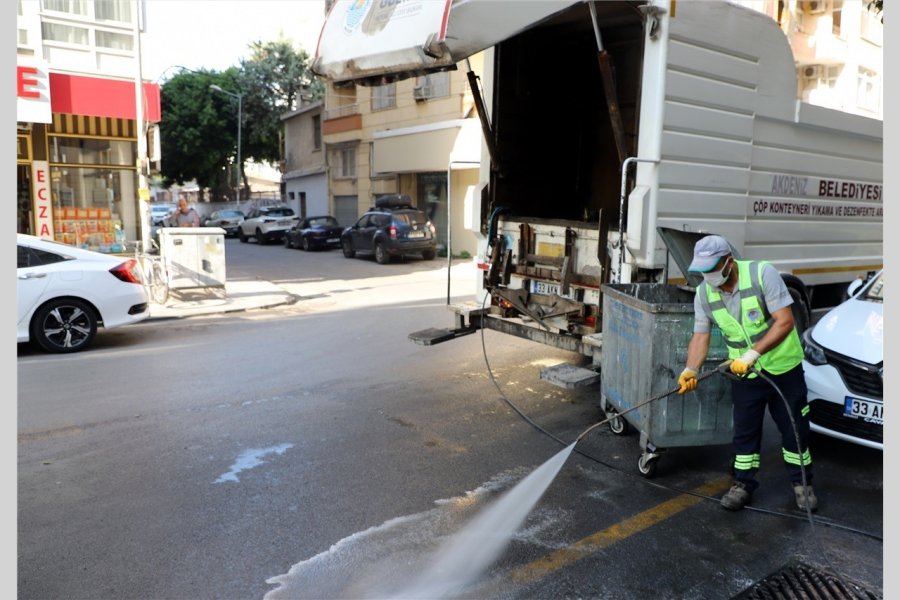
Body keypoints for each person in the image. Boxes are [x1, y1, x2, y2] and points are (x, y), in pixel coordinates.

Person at [676, 234, 815, 512]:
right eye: (702, 271)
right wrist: (691, 368)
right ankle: (742, 484)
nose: (707, 276)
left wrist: (753, 354)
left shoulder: (763, 274)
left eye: (711, 269)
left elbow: (785, 321)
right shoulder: (704, 293)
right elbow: (700, 336)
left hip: (783, 370)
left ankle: (802, 485)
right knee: (745, 433)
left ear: (729, 262)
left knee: (794, 431)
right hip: (746, 377)